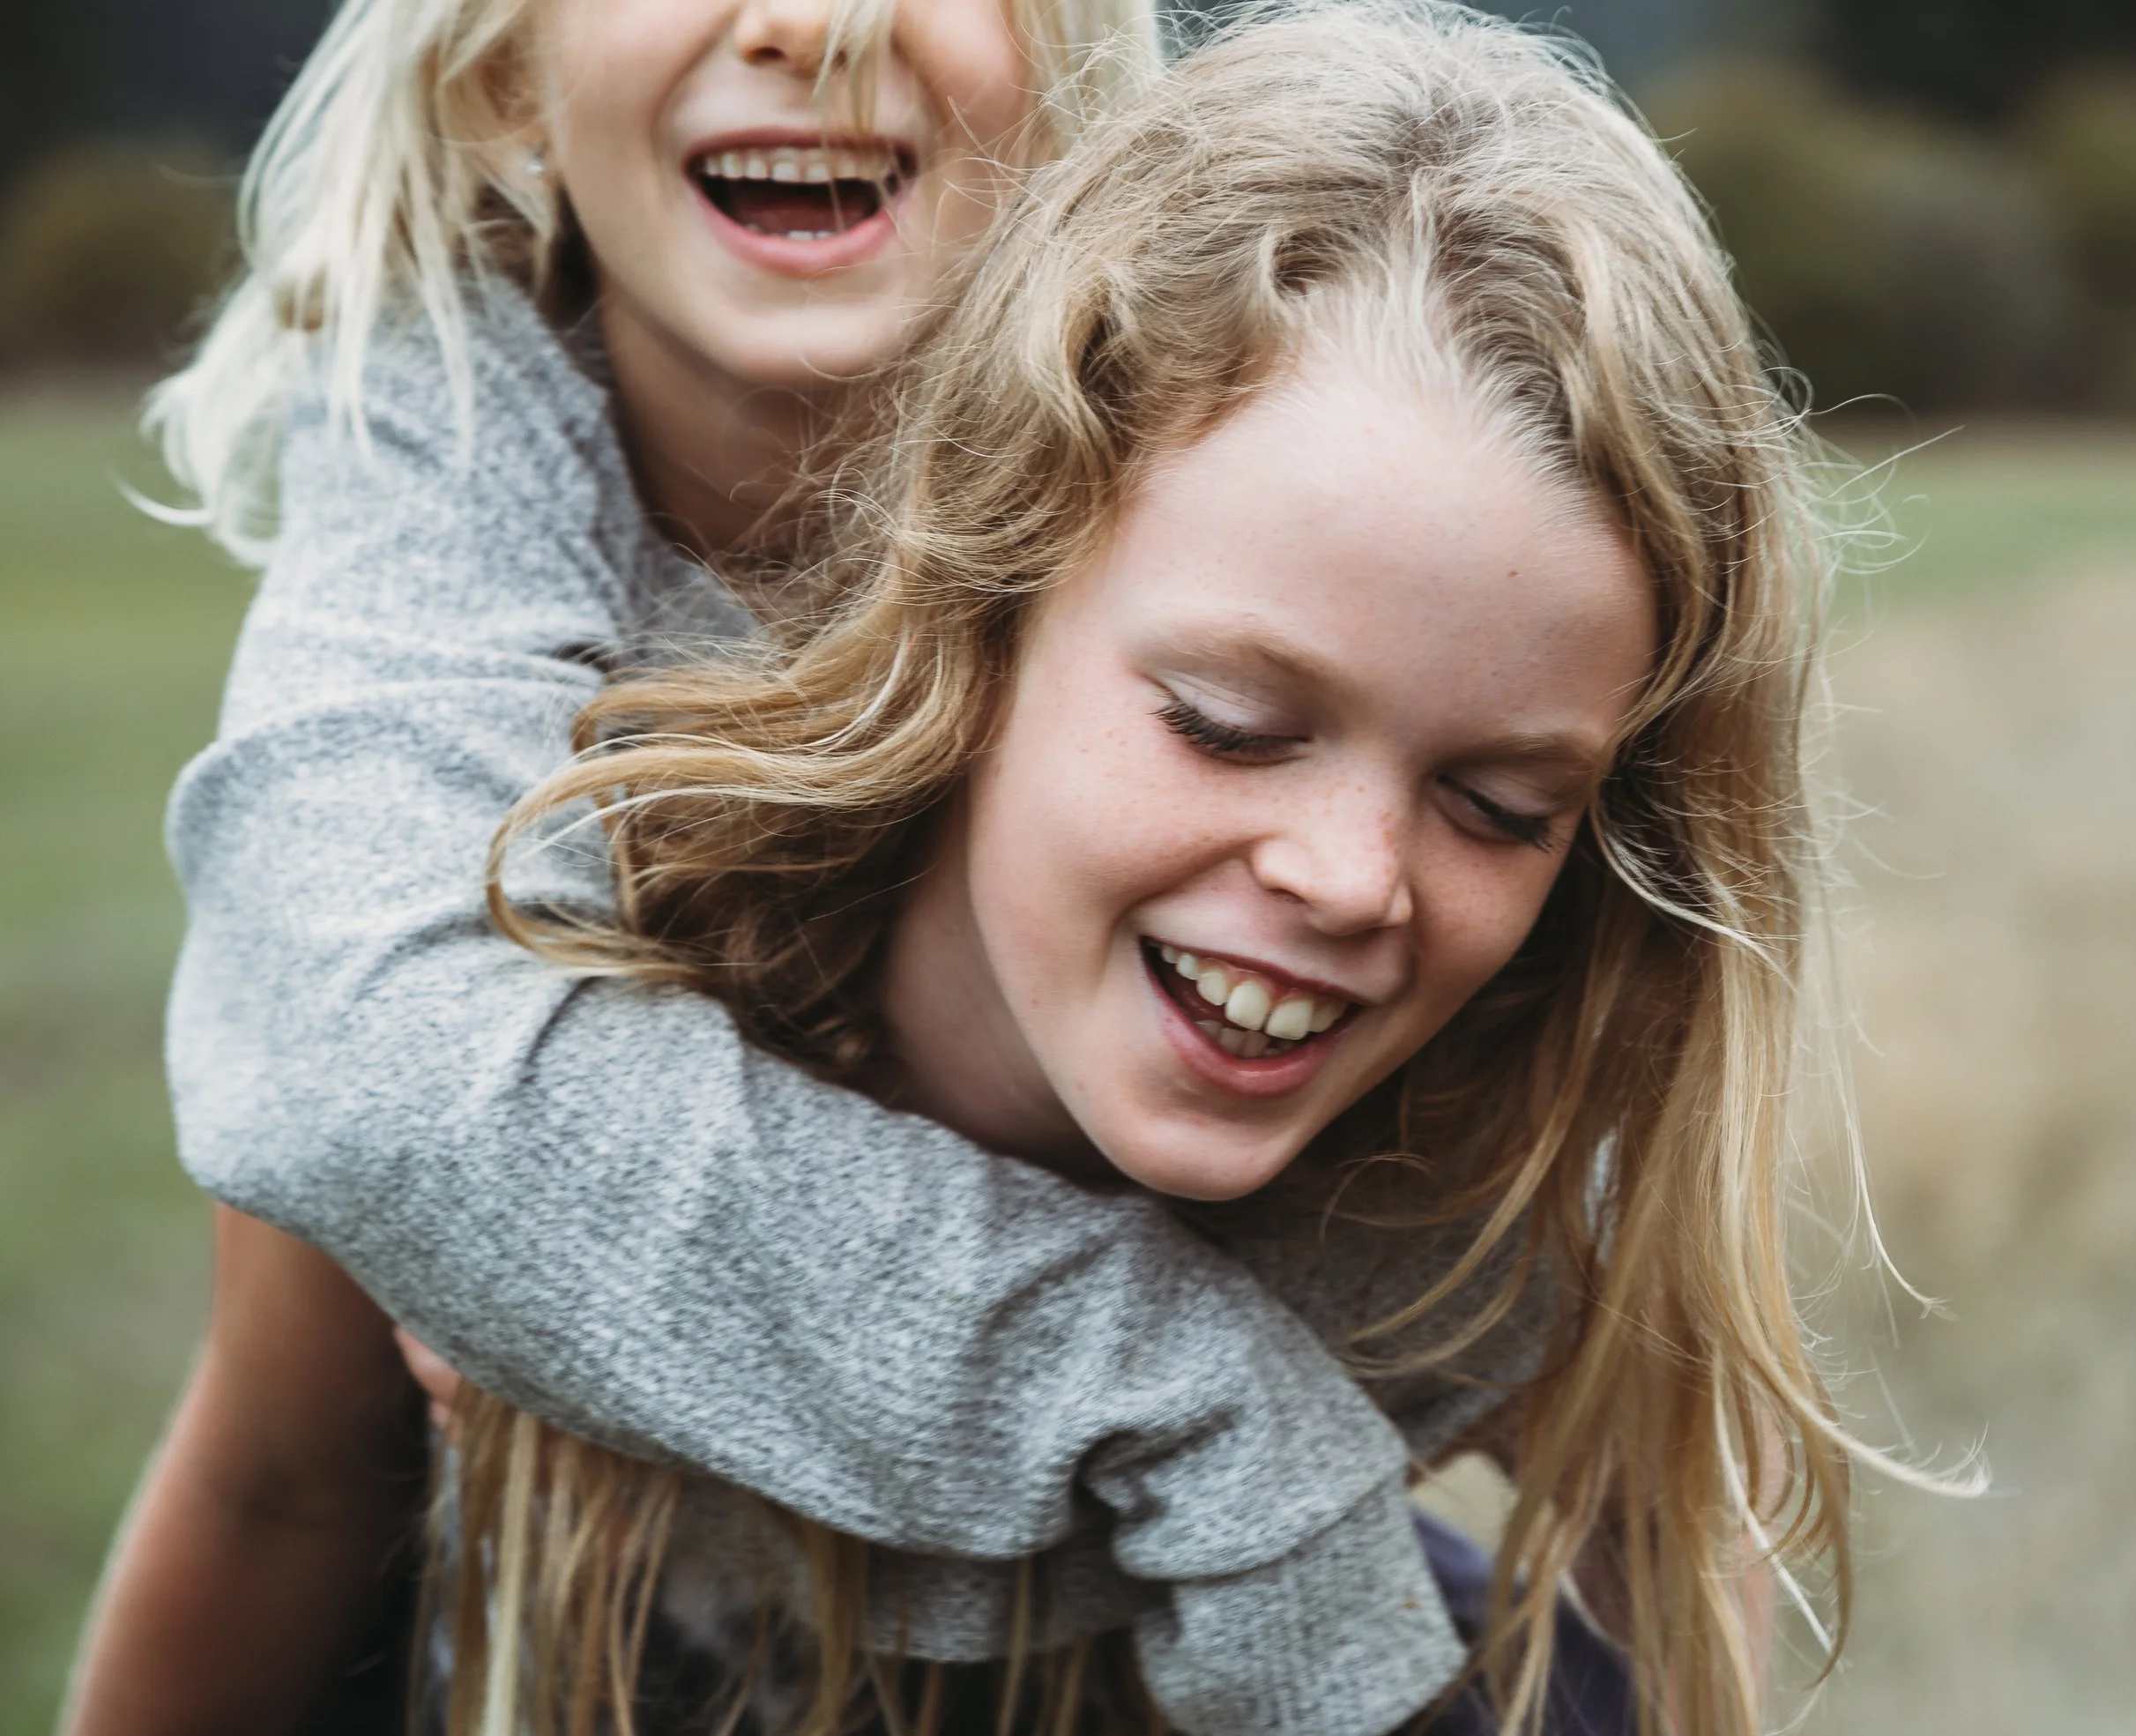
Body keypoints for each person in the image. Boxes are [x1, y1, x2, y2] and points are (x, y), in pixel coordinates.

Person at [63, 0, 1535, 1732]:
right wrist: (1190, 1407)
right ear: (499, 76)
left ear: (1076, 75)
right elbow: (280, 1463)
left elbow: (1620, 1374)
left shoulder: (1249, 578)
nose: (812, 24)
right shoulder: (445, 748)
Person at [431, 4, 1864, 1732]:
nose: (1349, 879)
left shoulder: (1483, 1193)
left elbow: (1687, 1522)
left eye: (1495, 809)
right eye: (1227, 723)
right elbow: (263, 1491)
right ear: (981, 612)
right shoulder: (563, 988)